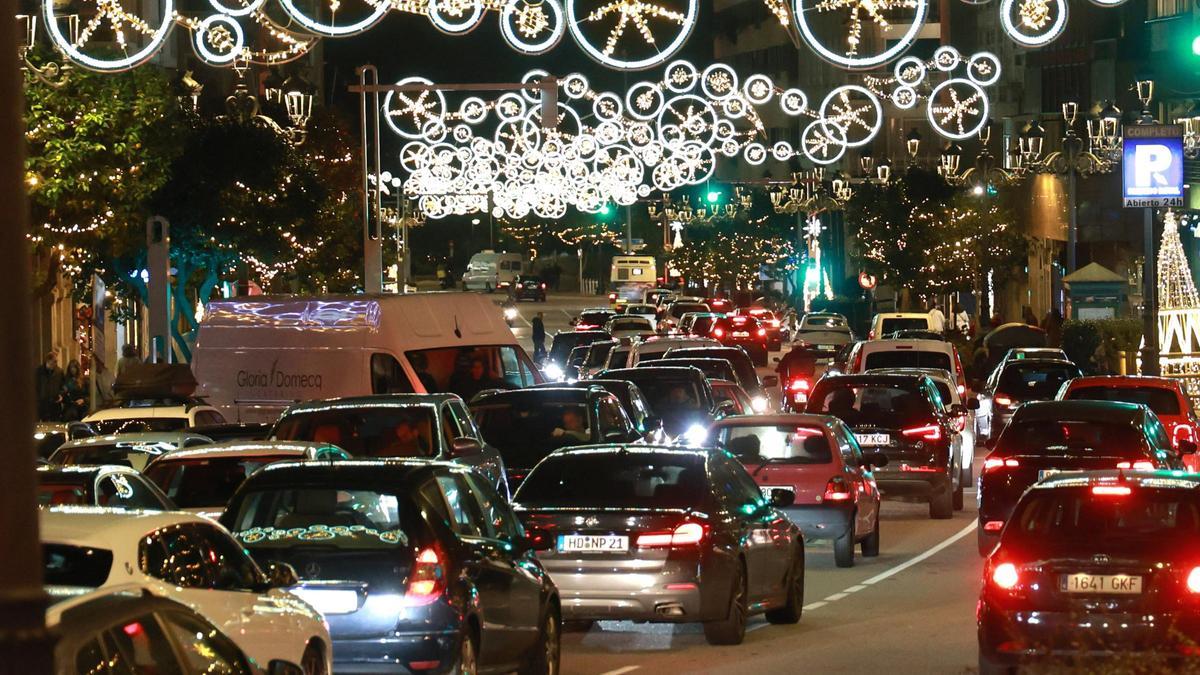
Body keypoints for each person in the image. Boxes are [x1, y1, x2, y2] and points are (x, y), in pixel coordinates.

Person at [35, 351, 64, 421]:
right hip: (42, 404)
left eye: (56, 361)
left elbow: (62, 385)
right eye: (54, 361)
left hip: (55, 404)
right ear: (48, 360)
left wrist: (61, 394)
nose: (55, 363)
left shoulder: (59, 372)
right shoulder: (39, 372)